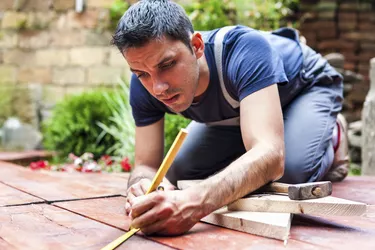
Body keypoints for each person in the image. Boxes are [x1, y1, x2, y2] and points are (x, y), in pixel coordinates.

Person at [112, 0, 350, 236]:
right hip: (241, 110)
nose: (158, 87)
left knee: (288, 171)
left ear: (196, 46)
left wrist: (193, 202)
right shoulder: (144, 83)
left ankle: (333, 133)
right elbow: (146, 165)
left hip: (304, 87)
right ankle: (257, 136)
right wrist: (142, 185)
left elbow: (271, 156)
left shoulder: (244, 49)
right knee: (180, 174)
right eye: (142, 73)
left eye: (167, 64)